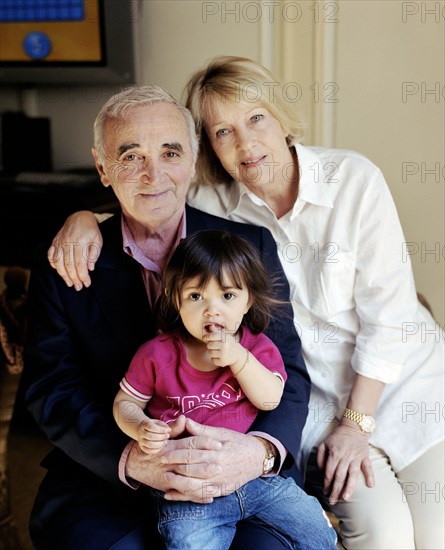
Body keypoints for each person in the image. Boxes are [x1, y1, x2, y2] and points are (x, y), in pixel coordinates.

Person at [51, 57, 445, 550]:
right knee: (384, 535)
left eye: (256, 118)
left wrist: (356, 425)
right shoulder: (218, 205)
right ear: (209, 148)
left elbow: (391, 316)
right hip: (315, 403)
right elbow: (152, 189)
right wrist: (84, 216)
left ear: (280, 117)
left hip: (403, 389)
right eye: (222, 131)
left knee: (437, 533)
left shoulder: (353, 180)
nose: (245, 143)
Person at [23, 84, 312, 549]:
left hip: (237, 470)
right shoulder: (66, 260)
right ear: (102, 167)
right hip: (109, 478)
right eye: (130, 155)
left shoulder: (249, 246)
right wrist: (131, 459)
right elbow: (51, 388)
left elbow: (290, 372)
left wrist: (257, 452)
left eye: (170, 152)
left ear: (192, 161)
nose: (153, 174)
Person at [113, 229, 337, 550]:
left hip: (256, 479)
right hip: (190, 490)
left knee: (315, 528)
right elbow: (125, 402)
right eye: (195, 296)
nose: (212, 309)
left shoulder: (256, 347)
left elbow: (271, 398)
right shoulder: (156, 354)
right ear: (175, 300)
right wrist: (140, 426)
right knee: (188, 542)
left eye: (228, 296)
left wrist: (239, 359)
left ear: (248, 302)